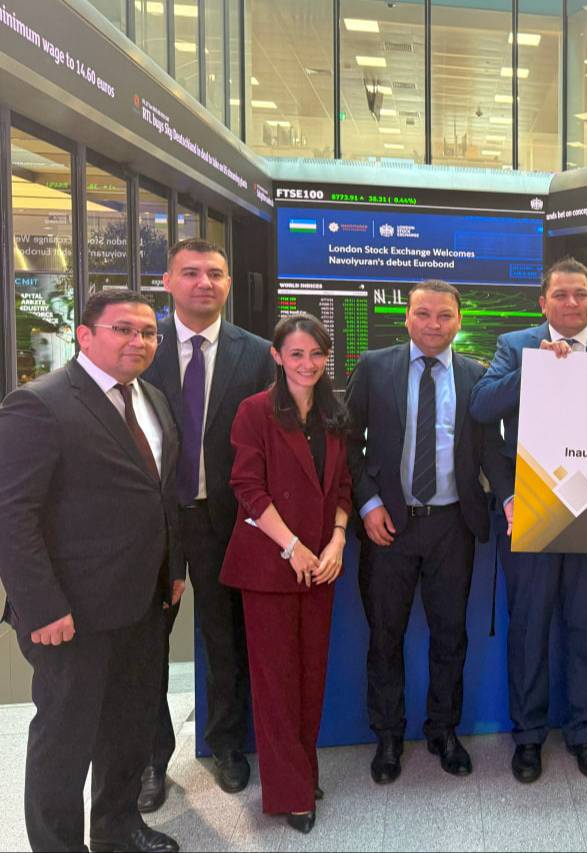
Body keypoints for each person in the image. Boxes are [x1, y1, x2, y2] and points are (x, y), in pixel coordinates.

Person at [0, 290, 182, 853]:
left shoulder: (152, 397)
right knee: (65, 739)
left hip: (144, 602)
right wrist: (42, 606)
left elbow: (161, 493)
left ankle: (116, 828)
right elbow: (12, 514)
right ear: (84, 335)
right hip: (71, 613)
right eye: (123, 329)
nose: (139, 342)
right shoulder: (39, 403)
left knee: (129, 727)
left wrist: (174, 568)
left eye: (148, 333)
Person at [470, 257, 587, 784]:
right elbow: (481, 407)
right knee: (529, 628)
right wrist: (533, 369)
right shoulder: (515, 346)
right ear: (543, 303)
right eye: (560, 294)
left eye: (580, 294)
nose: (571, 303)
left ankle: (584, 733)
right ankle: (528, 738)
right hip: (532, 510)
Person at [346, 280, 512, 785]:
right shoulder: (374, 367)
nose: (433, 324)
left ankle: (444, 730)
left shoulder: (476, 375)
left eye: (444, 315)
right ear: (407, 318)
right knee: (385, 637)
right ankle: (388, 736)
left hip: (451, 527)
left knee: (450, 636)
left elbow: (489, 450)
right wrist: (368, 503)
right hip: (388, 526)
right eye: (423, 314)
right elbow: (346, 442)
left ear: (459, 321)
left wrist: (509, 497)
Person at [138, 238, 274, 810]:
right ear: (167, 282)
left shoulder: (257, 353)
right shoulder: (140, 347)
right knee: (145, 643)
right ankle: (150, 759)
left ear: (228, 284)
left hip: (226, 520)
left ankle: (227, 745)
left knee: (225, 639)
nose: (204, 283)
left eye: (215, 273)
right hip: (153, 525)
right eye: (190, 273)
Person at [219, 314, 352, 834]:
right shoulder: (254, 411)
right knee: (276, 684)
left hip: (320, 566)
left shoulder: (332, 413)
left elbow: (343, 486)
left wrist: (337, 539)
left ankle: (302, 771)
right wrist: (293, 546)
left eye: (316, 354)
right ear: (277, 356)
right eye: (296, 354)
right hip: (271, 567)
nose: (307, 363)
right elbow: (248, 488)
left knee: (310, 677)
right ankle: (290, 792)